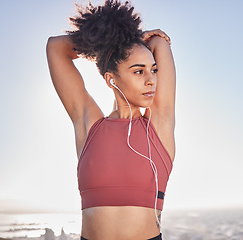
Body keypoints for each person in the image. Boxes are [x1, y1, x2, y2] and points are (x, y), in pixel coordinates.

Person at [46, 0, 176, 239]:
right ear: (111, 79)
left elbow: (159, 42)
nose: (151, 80)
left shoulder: (159, 127)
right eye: (139, 71)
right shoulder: (90, 126)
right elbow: (56, 47)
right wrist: (109, 42)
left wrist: (134, 38)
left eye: (153, 70)